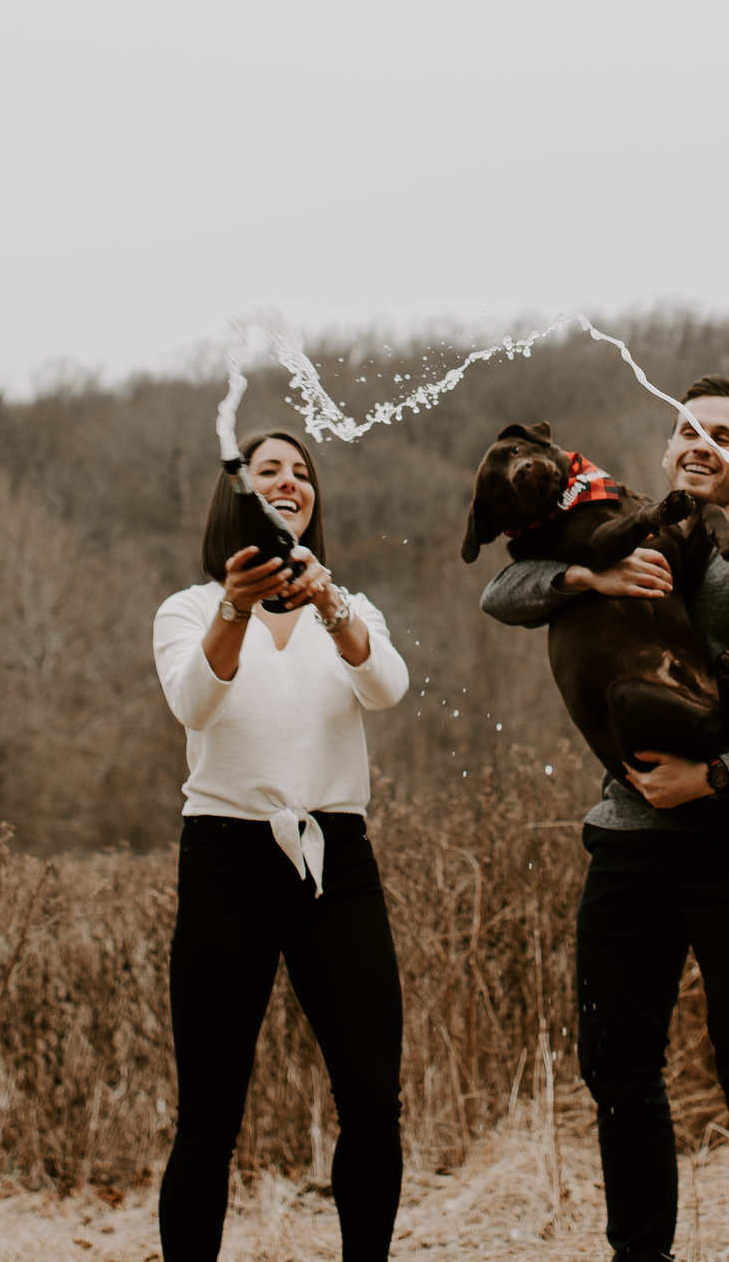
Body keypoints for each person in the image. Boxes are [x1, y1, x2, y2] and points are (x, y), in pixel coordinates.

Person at [480, 376, 729, 1262]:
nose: (698, 442)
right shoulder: (618, 535)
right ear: (667, 447)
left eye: (720, 434)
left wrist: (713, 775)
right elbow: (502, 594)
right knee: (616, 1068)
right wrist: (588, 574)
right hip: (629, 843)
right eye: (686, 428)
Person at [153, 429, 412, 1262]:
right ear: (240, 495)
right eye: (271, 471)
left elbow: (388, 685)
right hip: (226, 860)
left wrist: (331, 604)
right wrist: (234, 605)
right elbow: (195, 703)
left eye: (303, 474)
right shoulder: (188, 608)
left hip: (335, 857)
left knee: (372, 1096)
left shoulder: (351, 608)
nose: (291, 483)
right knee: (210, 1113)